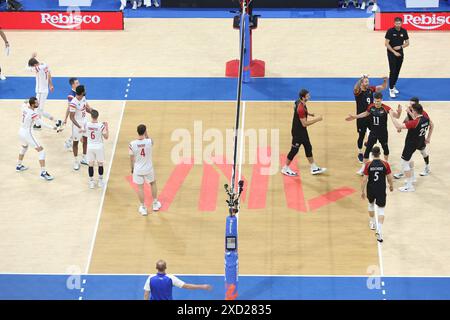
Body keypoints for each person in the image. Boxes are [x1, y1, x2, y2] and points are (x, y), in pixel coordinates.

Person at [346, 92, 401, 175]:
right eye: (375, 101)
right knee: (367, 149)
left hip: (383, 133)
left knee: (385, 148)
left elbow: (396, 116)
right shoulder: (371, 106)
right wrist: (354, 117)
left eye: (378, 101)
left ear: (381, 100)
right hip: (373, 132)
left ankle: (386, 165)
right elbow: (365, 113)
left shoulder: (386, 108)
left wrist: (399, 112)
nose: (376, 103)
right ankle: (363, 168)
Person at [281, 89, 327, 177]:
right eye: (307, 96)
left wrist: (309, 114)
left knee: (308, 147)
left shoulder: (299, 102)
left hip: (302, 131)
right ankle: (285, 168)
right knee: (294, 150)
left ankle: (313, 167)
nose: (309, 96)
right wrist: (317, 119)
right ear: (303, 97)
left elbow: (299, 111)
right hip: (298, 132)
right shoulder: (301, 108)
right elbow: (304, 123)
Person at [390, 103, 432, 192]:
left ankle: (409, 186)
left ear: (415, 112)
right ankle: (412, 177)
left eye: (412, 110)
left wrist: (392, 116)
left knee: (404, 162)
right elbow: (416, 118)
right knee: (409, 159)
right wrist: (409, 111)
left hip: (411, 143)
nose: (411, 112)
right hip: (420, 141)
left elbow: (398, 126)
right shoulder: (426, 119)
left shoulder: (414, 122)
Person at [16, 97, 60, 181]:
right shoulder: (32, 114)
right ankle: (43, 173)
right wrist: (53, 128)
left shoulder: (24, 107)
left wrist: (27, 100)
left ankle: (18, 165)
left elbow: (24, 102)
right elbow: (41, 123)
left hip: (20, 132)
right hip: (27, 134)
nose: (38, 104)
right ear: (32, 104)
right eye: (36, 103)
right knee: (41, 150)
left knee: (24, 147)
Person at [361, 146, 394, 243]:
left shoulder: (368, 164)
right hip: (381, 190)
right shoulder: (385, 164)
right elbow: (389, 178)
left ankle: (372, 223)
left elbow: (364, 180)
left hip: (371, 189)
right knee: (381, 210)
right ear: (380, 153)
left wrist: (362, 191)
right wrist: (391, 186)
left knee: (370, 204)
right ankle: (379, 230)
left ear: (372, 153)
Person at [353, 75, 388, 163]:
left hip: (370, 116)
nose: (367, 83)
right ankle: (360, 152)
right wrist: (360, 79)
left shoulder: (371, 89)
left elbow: (383, 87)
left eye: (368, 81)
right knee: (361, 135)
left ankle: (368, 143)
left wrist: (385, 81)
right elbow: (355, 88)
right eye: (365, 81)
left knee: (374, 131)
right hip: (361, 117)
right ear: (361, 83)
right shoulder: (358, 91)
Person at [129, 124, 162, 215]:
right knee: (153, 183)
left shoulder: (132, 144)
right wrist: (146, 134)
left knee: (140, 188)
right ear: (145, 131)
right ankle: (155, 204)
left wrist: (132, 168)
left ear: (137, 131)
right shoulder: (149, 141)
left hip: (138, 169)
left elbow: (131, 158)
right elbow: (150, 140)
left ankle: (143, 207)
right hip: (148, 168)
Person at [143, 260, 212, 300]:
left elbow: (146, 294)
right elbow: (187, 286)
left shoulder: (150, 278)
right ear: (165, 267)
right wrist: (202, 286)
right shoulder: (171, 278)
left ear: (156, 268)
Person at [26, 53, 59, 129]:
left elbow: (26, 68)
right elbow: (49, 74)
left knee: (38, 110)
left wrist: (31, 57)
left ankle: (55, 121)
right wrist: (50, 84)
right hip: (44, 90)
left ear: (34, 65)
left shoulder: (37, 68)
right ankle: (41, 124)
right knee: (39, 110)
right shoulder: (44, 64)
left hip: (41, 91)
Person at [385, 17, 409, 98]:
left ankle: (393, 85)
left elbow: (407, 43)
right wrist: (394, 52)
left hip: (400, 53)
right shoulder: (390, 31)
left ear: (401, 23)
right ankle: (391, 89)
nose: (398, 25)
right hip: (391, 53)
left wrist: (400, 47)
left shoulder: (404, 31)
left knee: (397, 71)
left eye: (399, 23)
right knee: (392, 71)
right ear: (394, 23)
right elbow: (386, 44)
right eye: (396, 23)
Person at [84, 109, 109, 189]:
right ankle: (100, 181)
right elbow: (106, 137)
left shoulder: (87, 124)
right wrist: (107, 127)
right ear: (98, 116)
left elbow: (83, 133)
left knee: (90, 164)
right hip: (99, 147)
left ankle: (91, 182)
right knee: (100, 164)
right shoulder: (101, 125)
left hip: (90, 146)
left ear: (91, 116)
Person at [69, 85, 92, 170]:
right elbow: (71, 117)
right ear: (82, 92)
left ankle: (84, 158)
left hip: (85, 122)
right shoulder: (73, 103)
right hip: (77, 124)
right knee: (75, 143)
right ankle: (76, 161)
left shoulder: (84, 98)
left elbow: (85, 108)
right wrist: (79, 127)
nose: (86, 91)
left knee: (85, 140)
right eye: (85, 90)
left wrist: (92, 112)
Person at [63, 78, 80, 151]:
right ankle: (68, 143)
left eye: (78, 82)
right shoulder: (71, 95)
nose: (78, 84)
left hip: (80, 115)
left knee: (78, 131)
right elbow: (69, 108)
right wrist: (65, 118)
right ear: (73, 85)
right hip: (75, 117)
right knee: (79, 131)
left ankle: (68, 142)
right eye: (76, 83)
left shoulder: (79, 92)